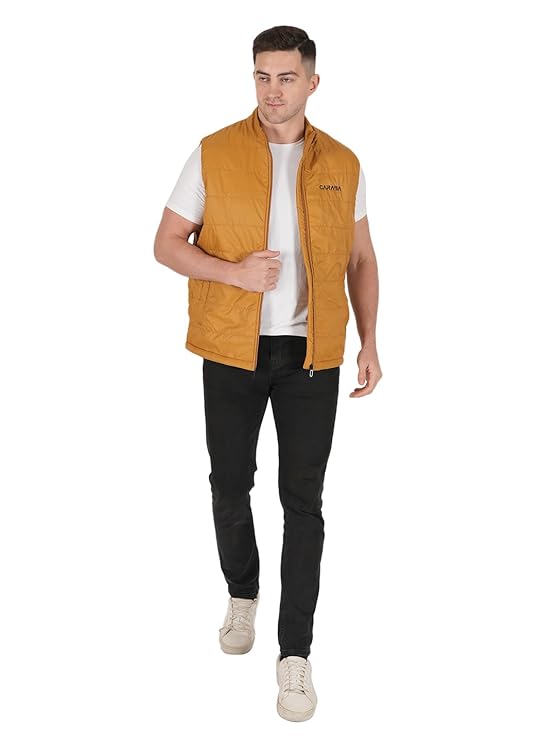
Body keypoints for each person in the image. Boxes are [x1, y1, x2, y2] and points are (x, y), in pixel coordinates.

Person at [154, 25, 382, 722]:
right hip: (231, 348)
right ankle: (242, 593)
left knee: (303, 502)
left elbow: (361, 259)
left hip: (312, 355)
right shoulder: (213, 152)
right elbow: (166, 244)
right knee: (229, 483)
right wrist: (234, 273)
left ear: (312, 82)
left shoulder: (343, 161)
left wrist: (370, 340)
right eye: (261, 75)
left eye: (285, 77)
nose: (272, 90)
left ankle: (295, 655)